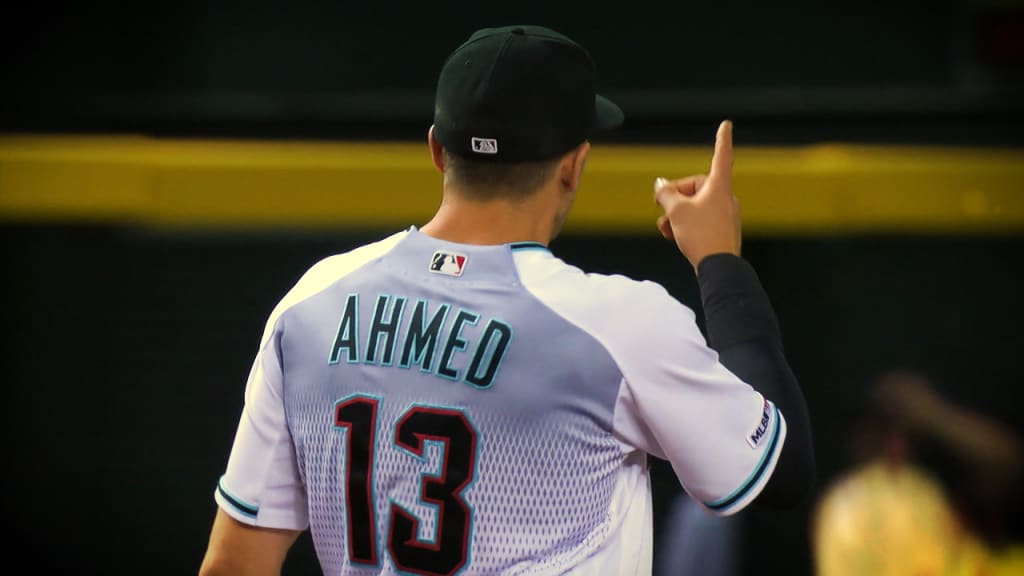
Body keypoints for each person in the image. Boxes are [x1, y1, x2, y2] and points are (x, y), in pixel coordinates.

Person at [198, 24, 814, 576]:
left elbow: (234, 563)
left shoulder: (312, 302)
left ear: (437, 149)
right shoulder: (617, 324)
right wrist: (720, 261)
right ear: (573, 166)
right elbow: (780, 475)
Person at [811, 369, 1024, 576]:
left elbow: (1008, 463)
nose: (896, 448)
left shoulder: (947, 494)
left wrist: (932, 413)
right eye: (882, 433)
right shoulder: (848, 507)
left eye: (911, 437)